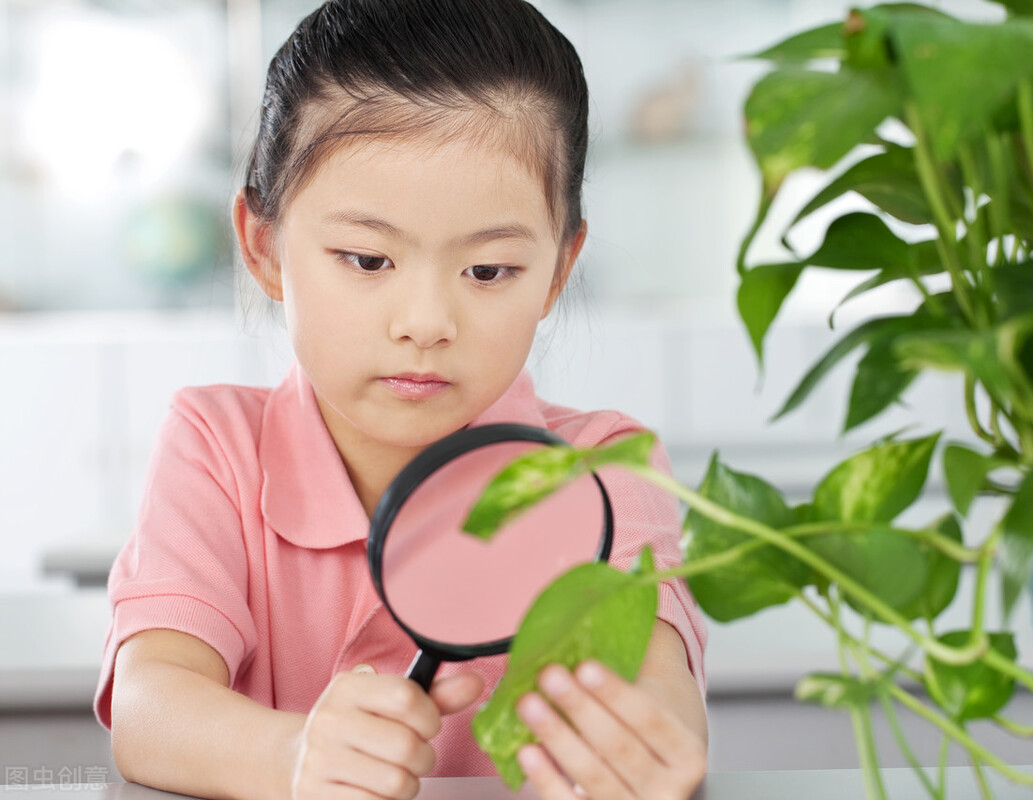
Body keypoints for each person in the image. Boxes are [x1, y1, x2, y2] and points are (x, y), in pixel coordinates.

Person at [96, 1, 709, 799]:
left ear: (559, 270)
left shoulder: (600, 468)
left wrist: (650, 749)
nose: (425, 324)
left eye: (488, 271)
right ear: (263, 247)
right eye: (367, 259)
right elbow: (149, 707)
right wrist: (292, 758)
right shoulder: (217, 444)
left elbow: (658, 693)